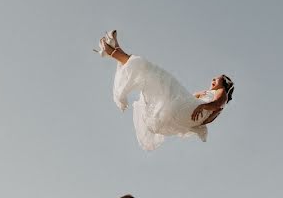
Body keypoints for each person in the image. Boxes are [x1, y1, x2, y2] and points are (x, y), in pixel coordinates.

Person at [96, 30, 235, 150]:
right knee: (150, 76)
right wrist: (197, 119)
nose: (212, 81)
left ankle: (111, 50)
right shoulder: (209, 95)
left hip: (186, 112)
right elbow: (205, 113)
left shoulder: (221, 93)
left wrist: (203, 106)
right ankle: (113, 50)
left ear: (224, 83)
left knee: (154, 73)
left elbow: (217, 104)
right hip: (181, 117)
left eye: (216, 80)